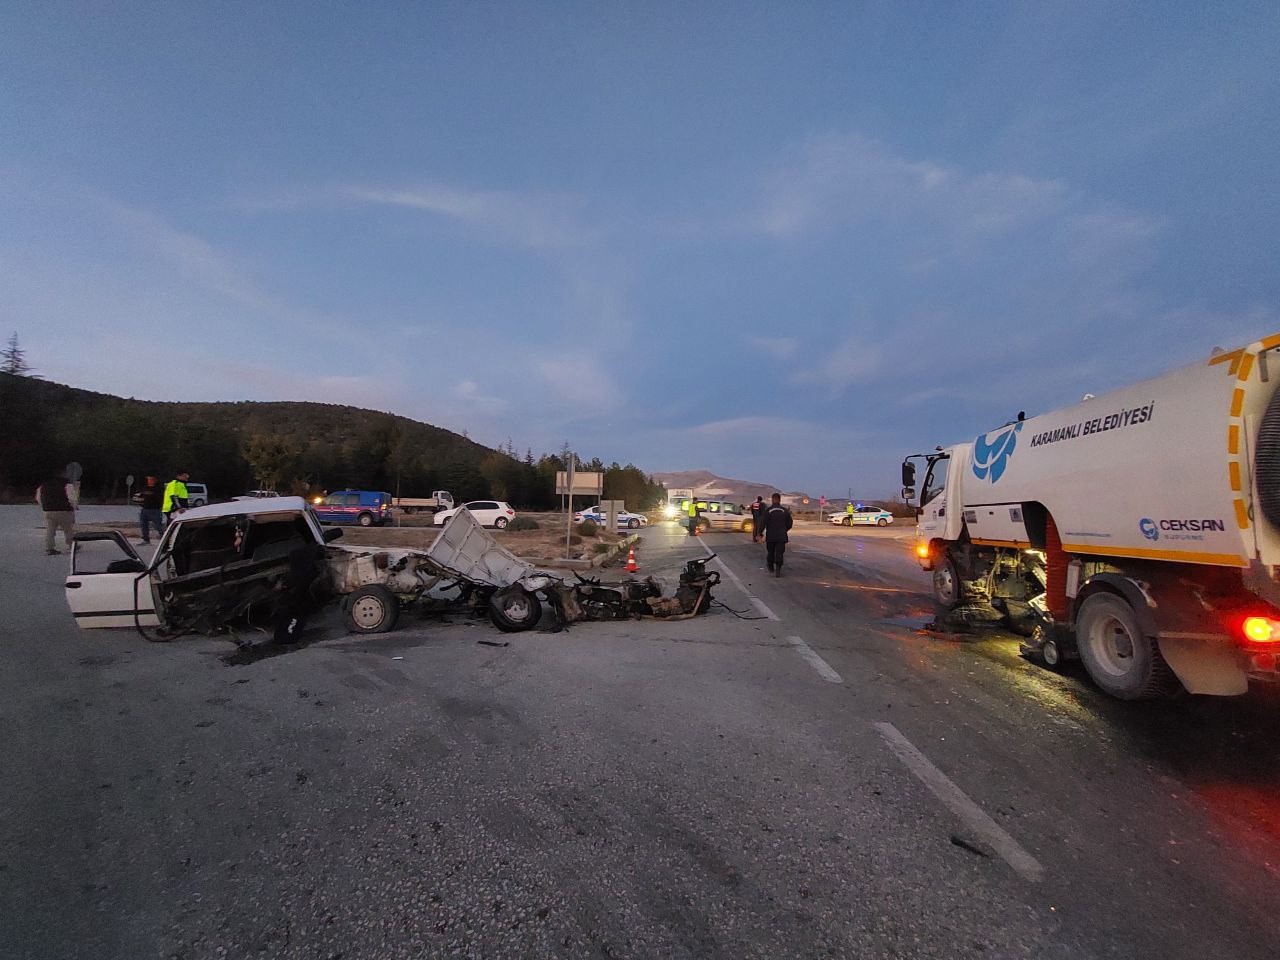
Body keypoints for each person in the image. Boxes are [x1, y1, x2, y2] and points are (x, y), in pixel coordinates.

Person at [36, 471, 77, 555]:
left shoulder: (43, 485)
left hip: (48, 511)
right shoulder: (67, 484)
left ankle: (49, 547)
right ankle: (71, 545)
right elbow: (71, 498)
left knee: (50, 531)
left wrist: (45, 506)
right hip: (64, 510)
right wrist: (73, 506)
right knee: (68, 529)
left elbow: (38, 498)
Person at [762, 492, 793, 577]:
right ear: (779, 500)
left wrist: (759, 533)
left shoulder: (768, 511)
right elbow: (790, 523)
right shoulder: (785, 511)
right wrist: (784, 530)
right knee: (779, 553)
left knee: (770, 552)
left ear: (772, 500)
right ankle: (778, 569)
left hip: (771, 536)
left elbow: (763, 523)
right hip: (781, 536)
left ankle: (770, 565)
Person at [135, 476, 164, 544]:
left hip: (155, 509)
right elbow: (140, 496)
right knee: (143, 525)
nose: (149, 481)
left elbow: (160, 499)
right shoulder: (145, 488)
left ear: (155, 480)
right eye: (148, 479)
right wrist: (140, 501)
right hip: (145, 509)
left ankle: (164, 538)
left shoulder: (159, 489)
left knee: (158, 525)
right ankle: (146, 540)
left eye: (151, 479)